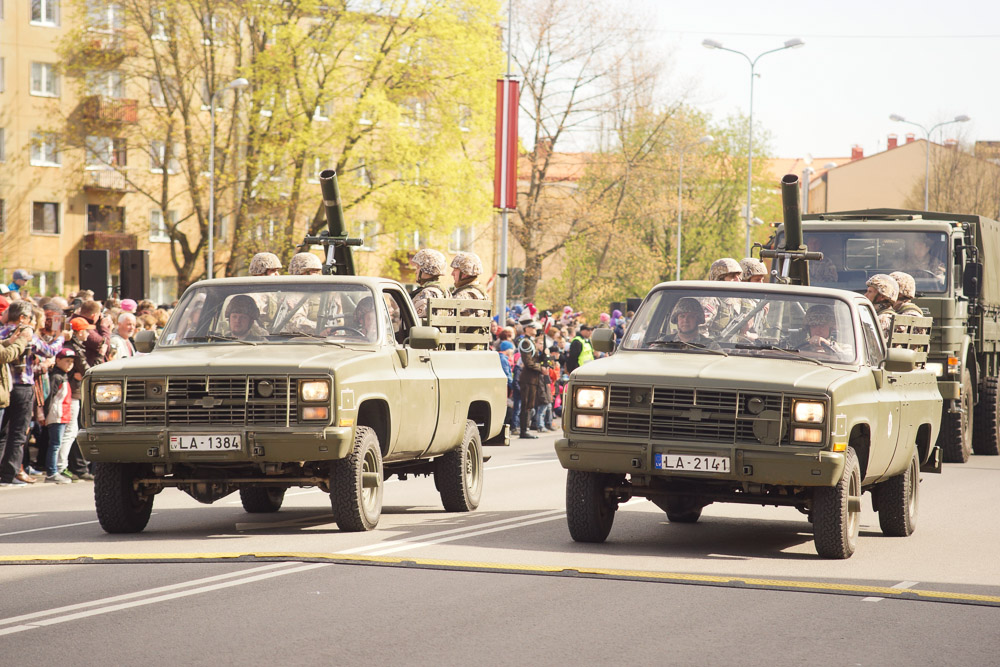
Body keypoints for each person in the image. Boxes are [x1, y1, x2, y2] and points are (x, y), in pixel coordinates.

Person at [43, 349, 75, 484]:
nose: (70, 364)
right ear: (58, 360)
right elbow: (50, 397)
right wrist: (45, 415)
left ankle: (54, 470)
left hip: (63, 415)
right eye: (67, 361)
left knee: (57, 443)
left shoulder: (63, 376)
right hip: (57, 415)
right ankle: (52, 472)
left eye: (72, 362)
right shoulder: (56, 377)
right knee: (55, 445)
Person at [450, 251, 489, 348]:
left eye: (455, 270)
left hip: (460, 349)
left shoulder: (464, 295)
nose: (452, 273)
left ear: (464, 273)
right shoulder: (480, 292)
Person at [517, 321, 546, 439]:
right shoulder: (525, 342)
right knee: (526, 404)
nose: (535, 329)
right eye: (532, 327)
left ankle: (526, 428)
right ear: (526, 328)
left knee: (530, 404)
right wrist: (541, 368)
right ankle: (524, 430)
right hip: (528, 378)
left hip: (533, 378)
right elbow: (528, 362)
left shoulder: (531, 341)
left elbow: (536, 359)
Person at [701, 258, 744, 336]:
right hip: (713, 346)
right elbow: (701, 330)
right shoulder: (711, 300)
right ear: (719, 279)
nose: (737, 280)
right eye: (732, 277)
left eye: (738, 276)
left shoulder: (736, 299)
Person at [409, 249, 449, 320]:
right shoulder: (445, 291)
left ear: (426, 270)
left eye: (418, 268)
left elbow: (411, 320)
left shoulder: (427, 293)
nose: (415, 272)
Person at [864, 274, 899, 338]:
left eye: (870, 292)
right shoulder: (893, 315)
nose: (865, 295)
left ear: (882, 296)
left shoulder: (882, 319)